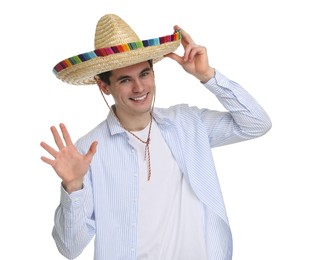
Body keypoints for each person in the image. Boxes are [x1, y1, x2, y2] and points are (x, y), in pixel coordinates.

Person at [40, 13, 272, 260]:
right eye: (125, 80)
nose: (139, 88)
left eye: (144, 74)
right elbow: (69, 248)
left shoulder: (187, 123)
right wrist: (73, 187)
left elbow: (256, 124)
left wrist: (208, 76)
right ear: (104, 86)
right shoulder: (87, 151)